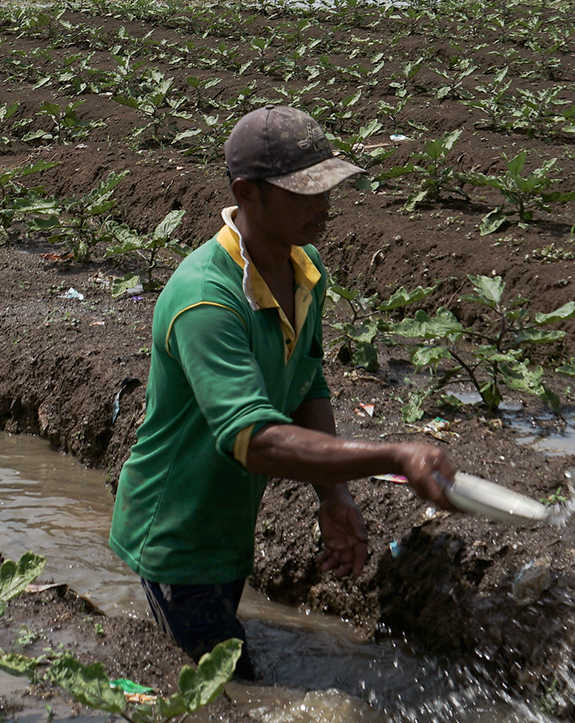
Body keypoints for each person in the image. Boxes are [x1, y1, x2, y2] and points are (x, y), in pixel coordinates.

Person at [107, 106, 453, 681]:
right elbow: (251, 438)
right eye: (303, 193)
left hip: (227, 525)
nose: (323, 208)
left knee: (227, 658)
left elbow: (307, 380)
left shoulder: (304, 267)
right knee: (224, 687)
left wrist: (334, 496)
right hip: (175, 534)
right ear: (247, 193)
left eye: (327, 189)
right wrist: (393, 455)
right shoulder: (205, 299)